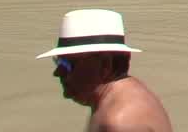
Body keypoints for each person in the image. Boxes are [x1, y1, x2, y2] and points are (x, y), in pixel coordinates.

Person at [38, 8, 173, 131]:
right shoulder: (115, 97)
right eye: (58, 62)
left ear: (105, 65)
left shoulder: (121, 122)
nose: (58, 72)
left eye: (67, 64)